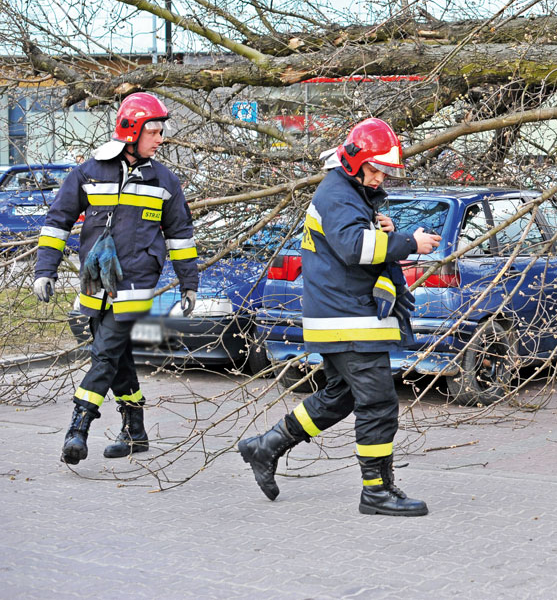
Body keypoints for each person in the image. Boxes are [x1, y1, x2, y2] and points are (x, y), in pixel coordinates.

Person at [238, 118, 441, 516]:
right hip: (349, 319)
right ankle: (376, 492)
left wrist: (388, 227)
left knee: (340, 397)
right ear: (356, 162)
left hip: (342, 316)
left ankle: (267, 447)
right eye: (377, 168)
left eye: (386, 170)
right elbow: (353, 248)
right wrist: (407, 242)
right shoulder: (337, 193)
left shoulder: (347, 190)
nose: (382, 177)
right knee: (378, 403)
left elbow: (351, 239)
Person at [32, 93, 198, 464]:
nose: (160, 139)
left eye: (160, 131)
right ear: (131, 132)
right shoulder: (89, 172)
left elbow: (181, 237)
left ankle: (78, 428)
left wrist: (189, 283)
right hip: (96, 280)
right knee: (118, 358)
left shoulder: (165, 180)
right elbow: (57, 222)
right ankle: (135, 432)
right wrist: (45, 271)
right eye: (153, 131)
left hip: (137, 281)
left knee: (104, 354)